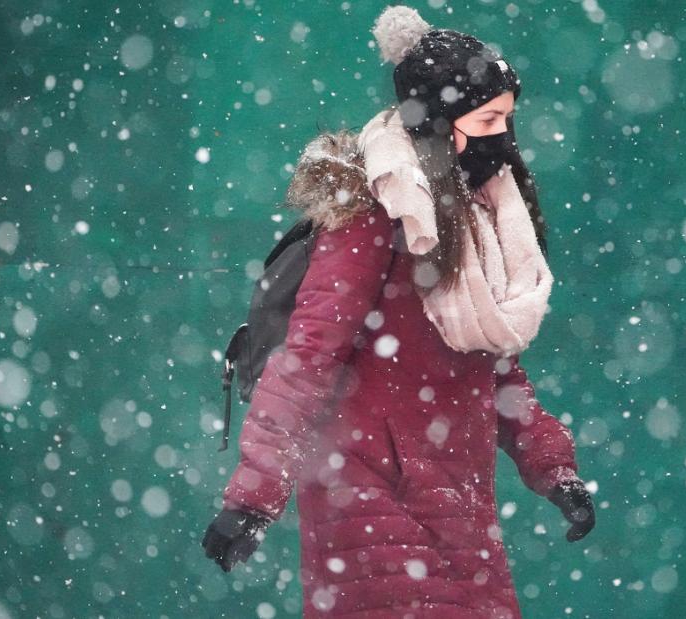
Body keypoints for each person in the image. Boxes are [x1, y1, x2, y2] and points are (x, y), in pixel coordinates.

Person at [202, 6, 595, 617]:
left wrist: (554, 469)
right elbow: (309, 355)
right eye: (489, 119)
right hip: (366, 496)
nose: (505, 138)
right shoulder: (372, 214)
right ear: (441, 122)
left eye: (508, 120)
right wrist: (253, 498)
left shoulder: (473, 217)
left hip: (458, 503)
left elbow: (493, 370)